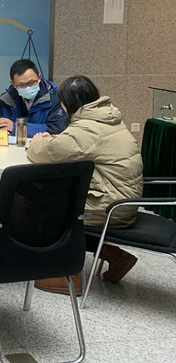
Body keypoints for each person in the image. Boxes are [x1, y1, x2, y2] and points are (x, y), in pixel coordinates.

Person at [27, 76, 143, 295]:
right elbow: (71, 145)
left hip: (112, 206)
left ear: (68, 103)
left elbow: (47, 152)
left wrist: (37, 143)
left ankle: (67, 275)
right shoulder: (104, 117)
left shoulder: (88, 127)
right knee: (60, 194)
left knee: (45, 203)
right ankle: (115, 255)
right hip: (122, 199)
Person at [0, 59, 68, 137]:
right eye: (22, 85)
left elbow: (56, 129)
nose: (27, 88)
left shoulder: (56, 98)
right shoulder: (8, 99)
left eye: (31, 83)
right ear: (13, 84)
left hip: (41, 148)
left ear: (39, 77)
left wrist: (17, 127)